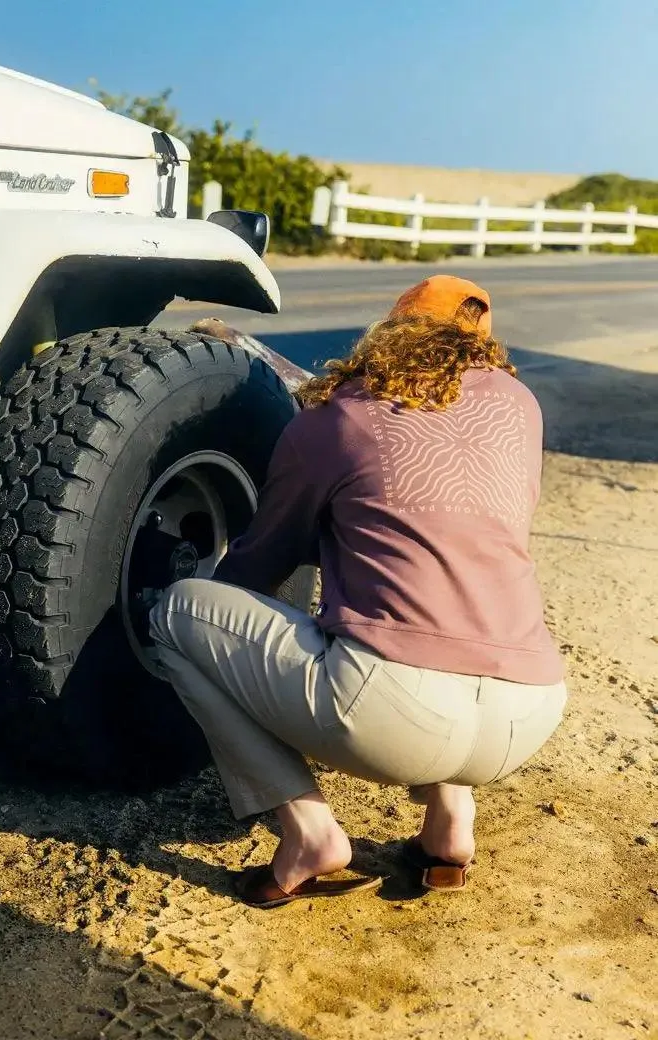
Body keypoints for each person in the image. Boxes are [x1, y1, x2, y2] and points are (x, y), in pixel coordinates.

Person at [150, 274, 567, 908]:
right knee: (457, 586)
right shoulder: (520, 406)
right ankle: (450, 824)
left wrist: (238, 633)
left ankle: (308, 833)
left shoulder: (338, 418)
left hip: (395, 715)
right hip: (529, 708)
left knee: (180, 612)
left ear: (389, 335)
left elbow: (262, 559)